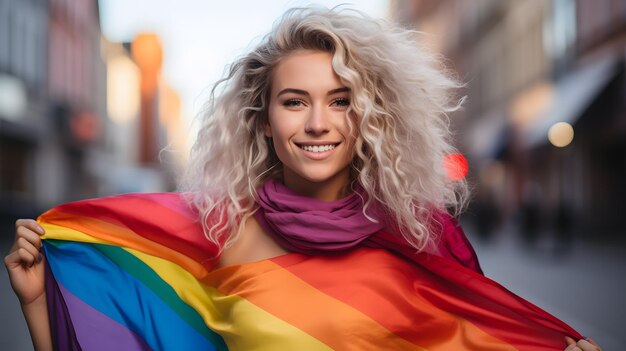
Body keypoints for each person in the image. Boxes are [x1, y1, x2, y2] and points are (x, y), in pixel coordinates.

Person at [5, 6, 601, 351]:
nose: (318, 123)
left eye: (341, 101)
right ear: (262, 121)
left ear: (368, 115)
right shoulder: (217, 235)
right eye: (294, 101)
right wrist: (38, 304)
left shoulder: (421, 237)